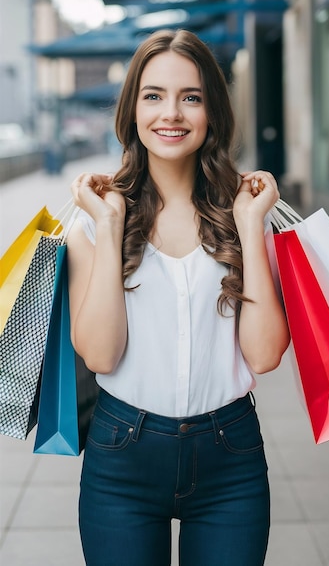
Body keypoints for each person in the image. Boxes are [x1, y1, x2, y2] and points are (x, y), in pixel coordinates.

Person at [67, 28, 290, 566]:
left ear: (212, 109)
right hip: (122, 456)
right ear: (132, 110)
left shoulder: (247, 213)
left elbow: (263, 355)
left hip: (229, 456)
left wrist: (249, 225)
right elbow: (100, 355)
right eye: (153, 96)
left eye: (190, 96)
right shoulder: (93, 222)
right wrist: (112, 222)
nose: (172, 113)